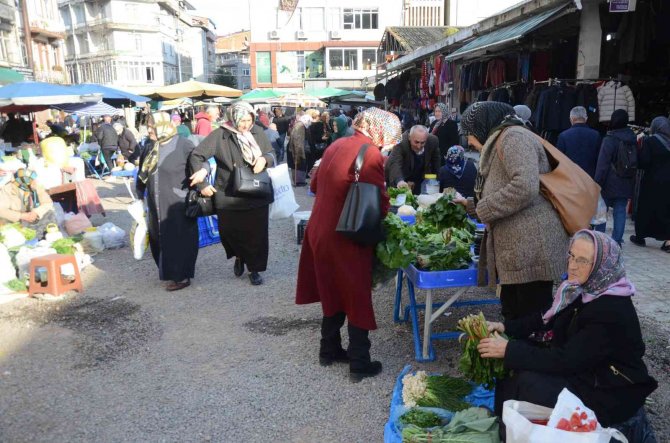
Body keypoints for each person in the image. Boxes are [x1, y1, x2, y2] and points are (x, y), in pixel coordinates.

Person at [479, 230, 658, 440]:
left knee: (528, 382)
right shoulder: (580, 290)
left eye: (583, 261)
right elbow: (546, 319)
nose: (572, 265)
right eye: (571, 256)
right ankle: (507, 429)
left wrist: (510, 350)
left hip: (610, 390)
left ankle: (519, 432)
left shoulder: (610, 310)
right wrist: (505, 327)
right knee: (511, 368)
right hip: (586, 371)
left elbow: (566, 360)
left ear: (603, 266)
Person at [296, 108, 402, 382]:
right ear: (381, 131)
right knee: (356, 293)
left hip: (320, 228)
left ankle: (328, 350)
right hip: (346, 233)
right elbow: (378, 200)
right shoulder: (371, 153)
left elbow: (316, 184)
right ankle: (359, 362)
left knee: (332, 288)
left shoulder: (337, 143)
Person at [457, 102, 569, 321]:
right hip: (520, 250)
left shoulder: (514, 137)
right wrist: (470, 205)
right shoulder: (504, 138)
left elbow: (525, 187)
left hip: (531, 248)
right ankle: (515, 352)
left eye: (469, 134)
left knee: (530, 318)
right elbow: (502, 186)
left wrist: (484, 208)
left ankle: (529, 354)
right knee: (513, 313)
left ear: (482, 125)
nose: (469, 141)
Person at [189, 101, 275, 286]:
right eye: (242, 120)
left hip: (256, 190)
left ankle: (254, 268)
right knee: (229, 231)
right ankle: (239, 256)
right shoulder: (220, 134)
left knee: (257, 233)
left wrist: (264, 159)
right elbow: (197, 155)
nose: (245, 124)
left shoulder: (257, 132)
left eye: (249, 120)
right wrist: (202, 183)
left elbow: (271, 153)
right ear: (233, 118)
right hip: (229, 193)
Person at [136, 112, 199, 292]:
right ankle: (169, 271)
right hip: (156, 201)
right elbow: (143, 172)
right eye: (148, 126)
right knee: (159, 237)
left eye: (152, 126)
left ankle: (182, 276)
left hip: (177, 201)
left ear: (163, 125)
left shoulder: (183, 144)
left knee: (179, 238)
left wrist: (202, 176)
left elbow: (199, 163)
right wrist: (139, 193)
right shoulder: (150, 147)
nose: (148, 130)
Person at [594, 109, 636, 246]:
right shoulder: (632, 138)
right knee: (620, 210)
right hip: (626, 180)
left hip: (609, 181)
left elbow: (603, 163)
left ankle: (600, 238)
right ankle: (617, 240)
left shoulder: (610, 139)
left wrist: (597, 182)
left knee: (602, 210)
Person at [630, 116, 670, 252]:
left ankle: (640, 237)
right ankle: (667, 241)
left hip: (652, 181)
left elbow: (644, 161)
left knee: (646, 208)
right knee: (666, 210)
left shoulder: (650, 141)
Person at [0, 169, 57, 239]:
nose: (32, 182)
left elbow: (47, 203)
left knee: (50, 213)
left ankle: (45, 237)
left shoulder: (35, 186)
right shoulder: (7, 189)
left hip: (33, 216)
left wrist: (36, 212)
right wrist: (21, 216)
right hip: (16, 221)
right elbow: (1, 210)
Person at [385, 125, 441, 195]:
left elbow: (436, 164)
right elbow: (395, 164)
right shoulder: (400, 141)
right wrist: (400, 181)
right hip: (402, 175)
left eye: (422, 143)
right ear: (409, 137)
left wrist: (436, 182)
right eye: (416, 142)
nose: (419, 146)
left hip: (421, 177)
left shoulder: (433, 141)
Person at [556, 106, 602, 179]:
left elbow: (558, 160)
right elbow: (600, 159)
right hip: (590, 178)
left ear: (571, 119)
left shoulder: (563, 136)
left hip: (570, 178)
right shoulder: (596, 135)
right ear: (586, 119)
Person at [288, 113, 313, 186]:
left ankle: (298, 181)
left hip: (294, 148)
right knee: (299, 165)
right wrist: (298, 153)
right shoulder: (300, 126)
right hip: (297, 149)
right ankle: (299, 182)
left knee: (298, 165)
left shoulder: (298, 124)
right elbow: (297, 141)